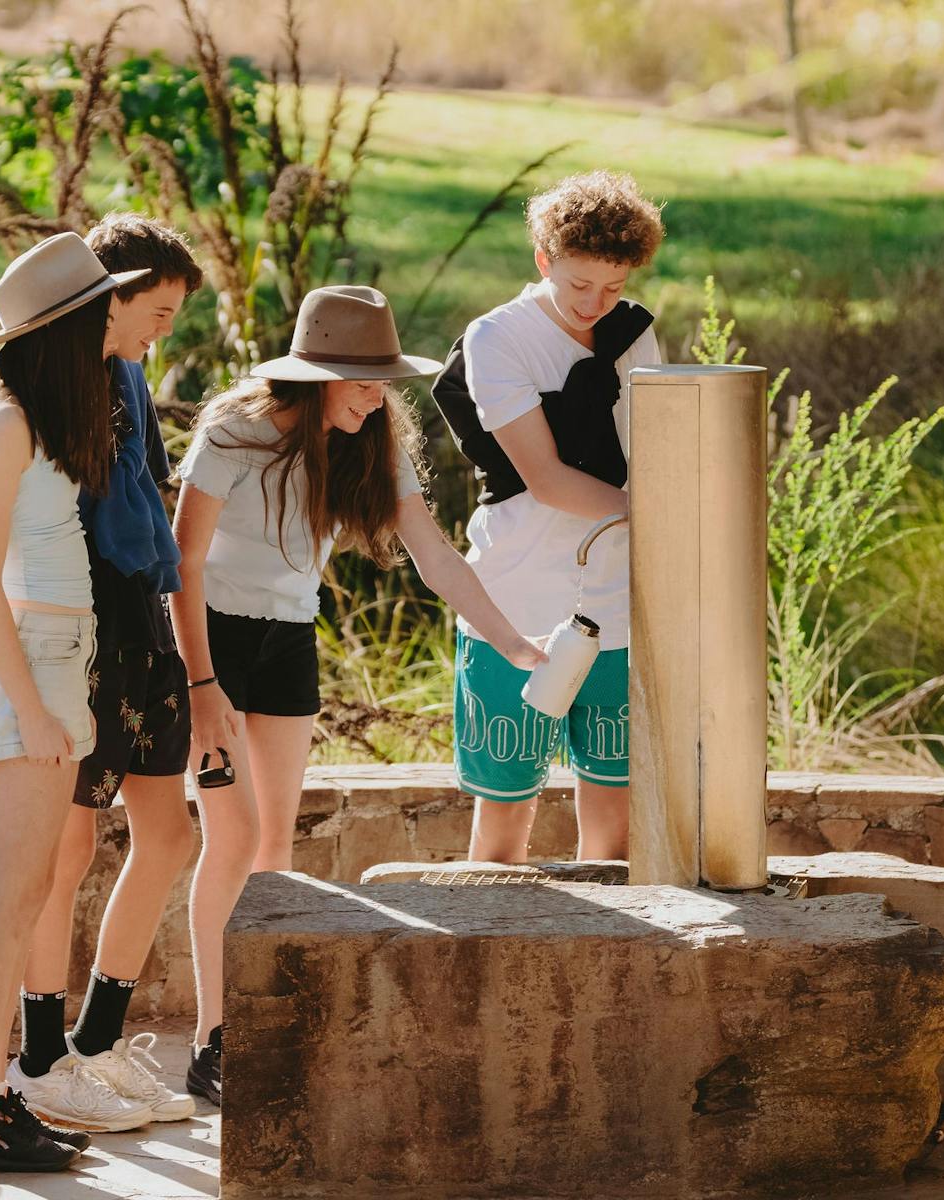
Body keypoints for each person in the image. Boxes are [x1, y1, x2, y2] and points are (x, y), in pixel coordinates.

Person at [170, 285, 546, 1106]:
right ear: (312, 376)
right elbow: (183, 566)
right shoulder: (232, 432)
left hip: (287, 643)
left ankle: (250, 1028)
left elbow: (437, 555)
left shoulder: (373, 443)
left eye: (384, 380)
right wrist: (200, 684)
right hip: (213, 644)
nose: (378, 396)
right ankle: (211, 1040)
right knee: (229, 843)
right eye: (361, 380)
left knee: (273, 850)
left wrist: (514, 640)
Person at [0, 232, 153, 1171]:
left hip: (58, 664)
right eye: (102, 308)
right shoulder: (5, 424)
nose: (115, 320)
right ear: (61, 329)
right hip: (29, 669)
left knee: (22, 896)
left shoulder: (43, 414)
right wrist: (38, 710)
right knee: (10, 899)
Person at [5, 214, 207, 1128]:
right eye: (157, 309)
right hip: (80, 628)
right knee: (68, 846)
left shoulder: (130, 369)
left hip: (143, 619)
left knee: (171, 834)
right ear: (109, 295)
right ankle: (40, 1061)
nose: (164, 328)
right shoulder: (57, 382)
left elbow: (149, 503)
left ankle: (95, 1043)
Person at [430, 170, 664, 867]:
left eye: (614, 287)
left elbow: (653, 453)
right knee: (502, 835)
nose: (596, 304)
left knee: (615, 837)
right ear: (544, 261)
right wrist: (665, 516)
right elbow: (549, 480)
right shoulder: (496, 337)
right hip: (518, 606)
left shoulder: (632, 335)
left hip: (619, 608)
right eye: (578, 285)